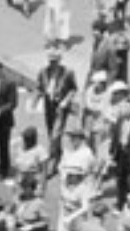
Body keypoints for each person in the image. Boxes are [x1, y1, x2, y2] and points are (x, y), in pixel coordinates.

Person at [34, 47, 78, 176]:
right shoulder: (43, 71)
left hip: (60, 107)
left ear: (59, 61)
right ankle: (58, 155)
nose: (52, 63)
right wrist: (34, 102)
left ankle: (51, 164)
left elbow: (73, 89)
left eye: (54, 61)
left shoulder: (68, 72)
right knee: (51, 133)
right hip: (48, 105)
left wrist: (66, 101)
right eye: (50, 60)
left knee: (55, 135)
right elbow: (39, 87)